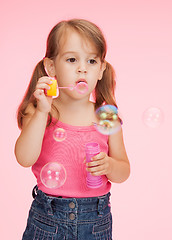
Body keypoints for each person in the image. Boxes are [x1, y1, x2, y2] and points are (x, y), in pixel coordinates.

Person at [15, 18, 130, 240]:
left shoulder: (107, 117)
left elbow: (123, 171)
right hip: (47, 218)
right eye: (71, 59)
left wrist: (109, 165)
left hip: (96, 220)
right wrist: (40, 112)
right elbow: (24, 158)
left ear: (101, 70)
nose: (82, 69)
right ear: (51, 67)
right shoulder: (41, 112)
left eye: (91, 62)